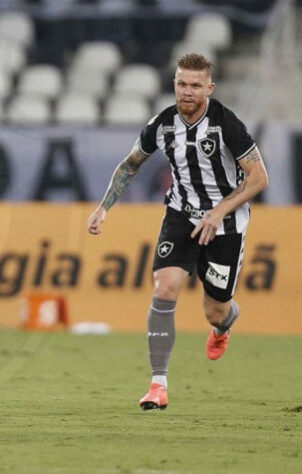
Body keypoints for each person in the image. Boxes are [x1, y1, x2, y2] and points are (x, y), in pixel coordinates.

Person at [86, 54, 269, 410]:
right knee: (164, 286)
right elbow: (130, 165)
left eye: (195, 86)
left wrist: (218, 212)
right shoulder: (163, 124)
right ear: (174, 84)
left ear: (209, 89)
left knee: (215, 310)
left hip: (225, 224)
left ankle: (224, 325)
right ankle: (157, 384)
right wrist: (104, 207)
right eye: (182, 84)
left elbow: (259, 178)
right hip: (181, 216)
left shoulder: (225, 124)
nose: (187, 92)